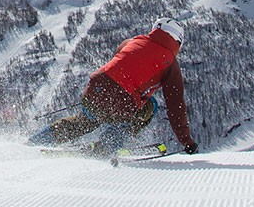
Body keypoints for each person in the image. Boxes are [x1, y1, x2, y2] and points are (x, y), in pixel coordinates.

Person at [39, 18, 198, 154]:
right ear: (177, 41)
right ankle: (105, 148)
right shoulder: (170, 63)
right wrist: (187, 142)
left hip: (96, 86)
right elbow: (175, 106)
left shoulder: (133, 41)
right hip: (122, 99)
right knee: (149, 108)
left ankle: (37, 142)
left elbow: (120, 60)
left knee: (85, 121)